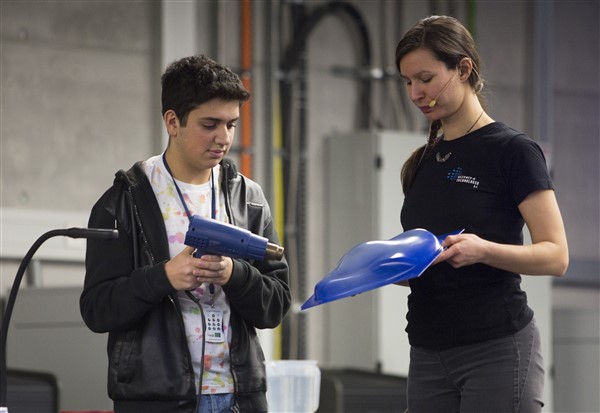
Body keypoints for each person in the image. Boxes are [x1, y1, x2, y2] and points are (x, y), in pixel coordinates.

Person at [80, 55, 291, 413]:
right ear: (173, 121)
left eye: (232, 124)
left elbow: (276, 305)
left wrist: (233, 274)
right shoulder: (123, 201)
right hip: (157, 398)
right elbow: (97, 310)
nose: (224, 138)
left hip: (240, 398)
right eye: (210, 124)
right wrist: (162, 277)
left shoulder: (248, 199)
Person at [394, 16, 568, 412]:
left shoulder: (512, 151)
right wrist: (394, 267)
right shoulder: (422, 161)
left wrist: (483, 250)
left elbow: (556, 255)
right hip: (427, 350)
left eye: (425, 78)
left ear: (463, 68)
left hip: (495, 347)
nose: (415, 92)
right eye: (407, 82)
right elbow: (433, 260)